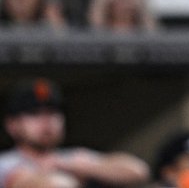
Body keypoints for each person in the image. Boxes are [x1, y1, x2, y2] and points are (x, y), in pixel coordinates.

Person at [0, 77, 150, 187]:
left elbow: (138, 172)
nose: (46, 122)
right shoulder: (6, 163)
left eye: (53, 113)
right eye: (34, 114)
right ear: (12, 125)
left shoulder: (70, 158)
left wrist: (72, 166)